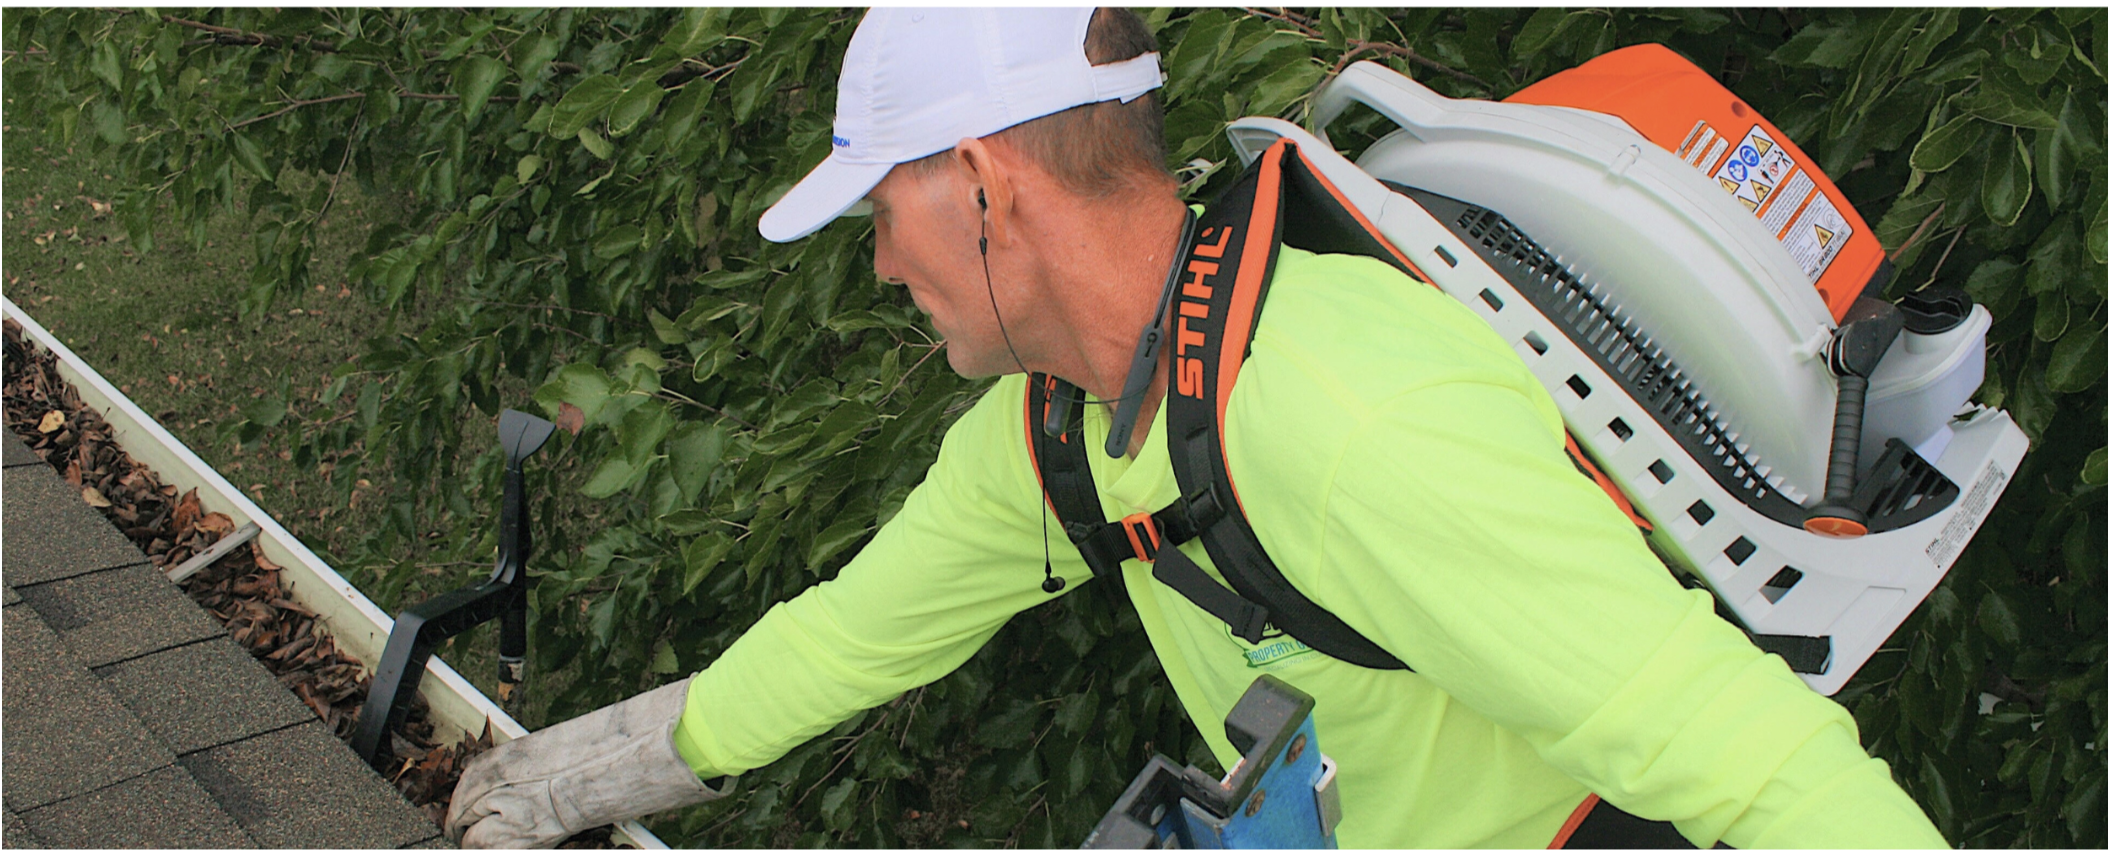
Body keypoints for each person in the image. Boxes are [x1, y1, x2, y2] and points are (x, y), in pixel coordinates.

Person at [446, 9, 1949, 848]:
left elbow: (1751, 756)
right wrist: (557, 782)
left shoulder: (1351, 413)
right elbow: (848, 637)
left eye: (883, 216)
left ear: (985, 184)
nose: (884, 265)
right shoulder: (1061, 435)